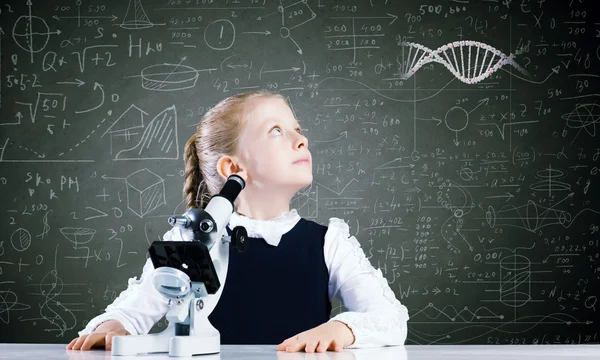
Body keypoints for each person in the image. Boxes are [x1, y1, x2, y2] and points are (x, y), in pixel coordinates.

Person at [66, 90, 409, 353]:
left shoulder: (330, 243)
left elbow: (390, 319)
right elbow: (135, 309)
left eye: (297, 129)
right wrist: (113, 325)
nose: (301, 139)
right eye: (276, 131)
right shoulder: (192, 239)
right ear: (234, 169)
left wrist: (342, 330)